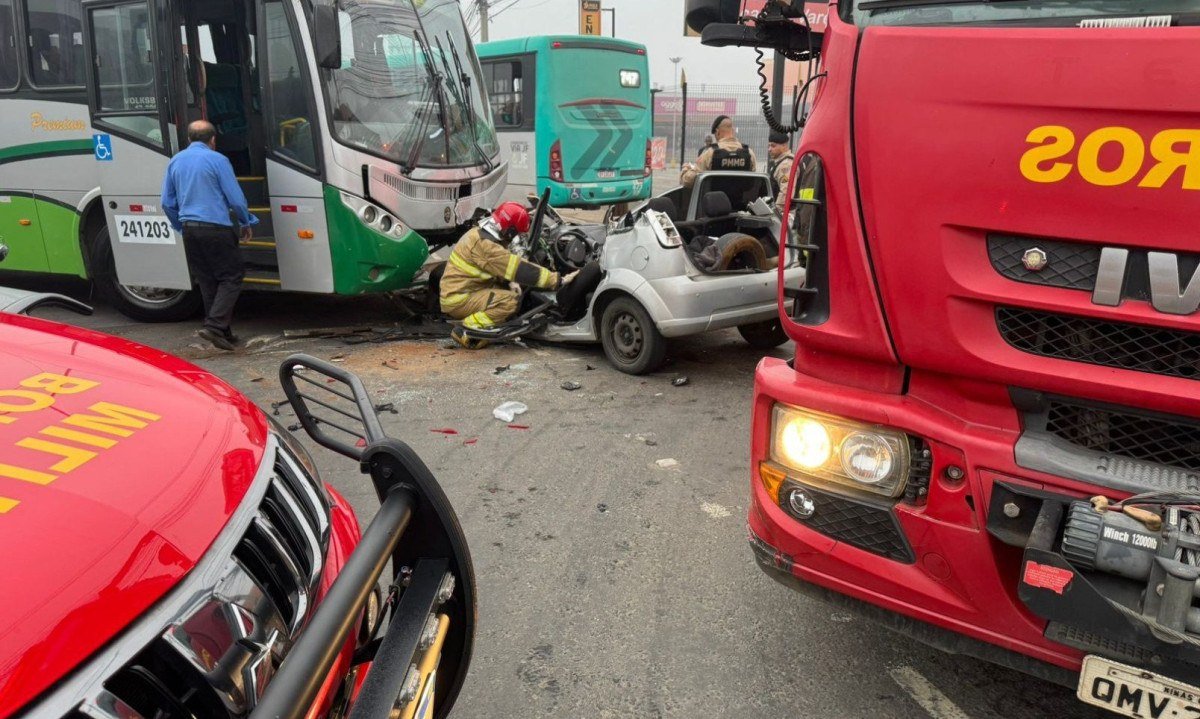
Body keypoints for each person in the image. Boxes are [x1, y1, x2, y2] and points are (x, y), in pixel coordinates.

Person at [162, 120, 258, 351]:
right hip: (216, 228)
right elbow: (235, 198)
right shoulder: (218, 160)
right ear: (213, 140)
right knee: (232, 276)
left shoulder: (175, 161)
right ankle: (215, 326)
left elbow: (167, 202)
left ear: (188, 139)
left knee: (207, 280)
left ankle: (223, 332)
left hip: (190, 229)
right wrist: (246, 220)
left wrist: (180, 226)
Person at [440, 202, 579, 349]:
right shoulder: (487, 246)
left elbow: (494, 268)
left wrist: (510, 282)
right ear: (510, 231)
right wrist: (557, 280)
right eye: (516, 233)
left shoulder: (478, 233)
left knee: (505, 290)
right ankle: (469, 328)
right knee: (509, 302)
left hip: (460, 291)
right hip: (459, 298)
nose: (515, 238)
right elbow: (520, 270)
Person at [680, 115, 756, 188]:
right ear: (732, 130)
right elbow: (752, 181)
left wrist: (686, 169)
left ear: (717, 131)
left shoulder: (710, 153)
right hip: (742, 200)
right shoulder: (749, 153)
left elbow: (688, 181)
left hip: (714, 200)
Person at [767, 130, 796, 211]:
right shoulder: (783, 162)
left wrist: (776, 212)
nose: (769, 149)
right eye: (768, 146)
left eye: (773, 146)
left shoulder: (785, 165)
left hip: (785, 212)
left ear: (784, 145)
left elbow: (786, 193)